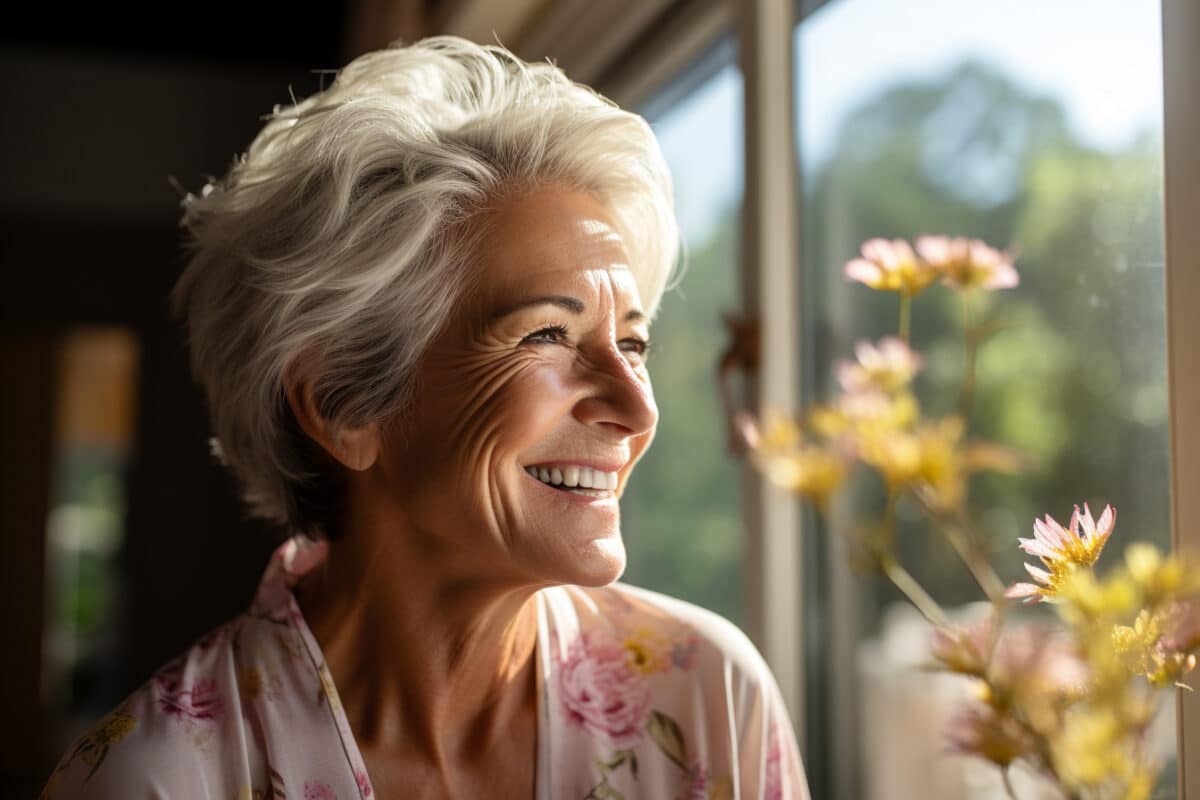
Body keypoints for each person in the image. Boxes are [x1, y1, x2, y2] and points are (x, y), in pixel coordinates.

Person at [42, 36, 809, 799]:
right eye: (547, 335)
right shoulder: (155, 781)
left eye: (632, 343)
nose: (637, 407)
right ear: (343, 403)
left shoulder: (707, 694)